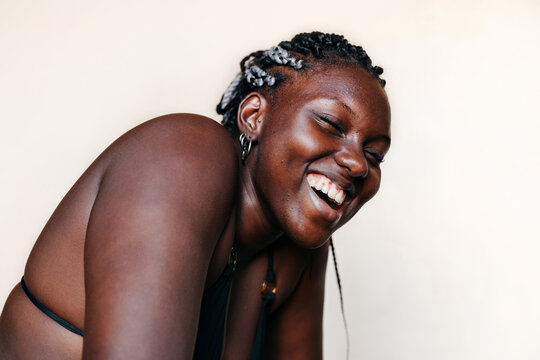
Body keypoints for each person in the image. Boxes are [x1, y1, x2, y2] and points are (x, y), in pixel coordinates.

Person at [0, 31, 391, 359]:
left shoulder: (297, 251)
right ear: (254, 117)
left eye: (374, 154)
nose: (358, 164)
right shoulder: (183, 157)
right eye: (331, 123)